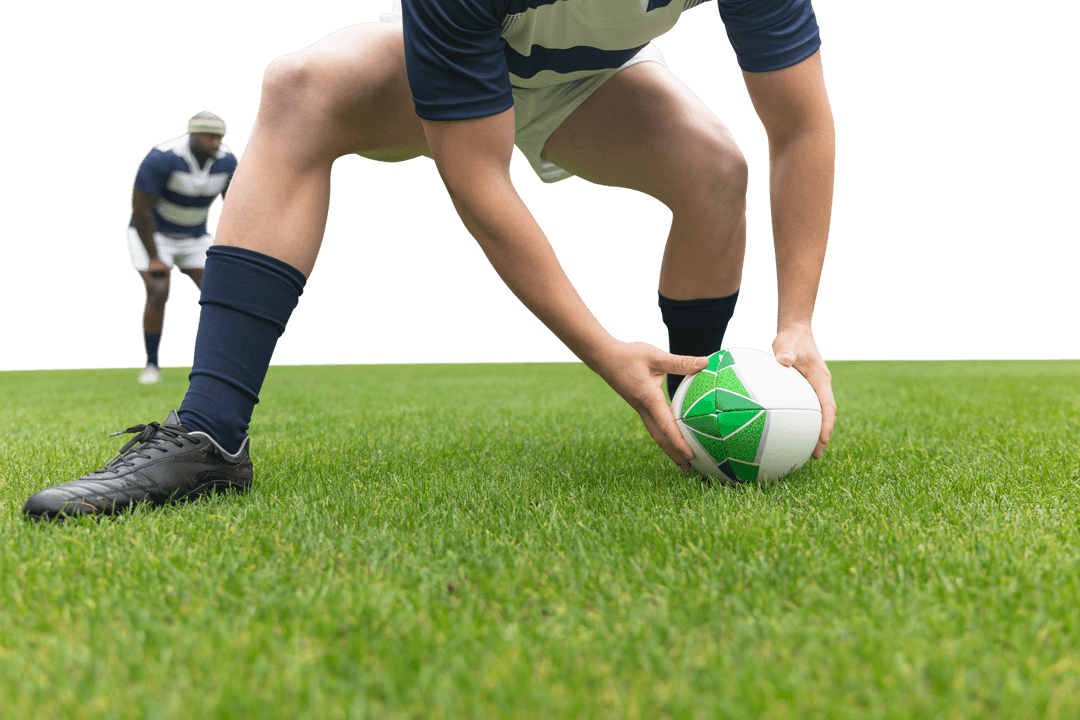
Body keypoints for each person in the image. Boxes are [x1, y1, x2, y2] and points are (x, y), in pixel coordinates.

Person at [23, 0, 837, 520]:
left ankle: (692, 407)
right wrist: (600, 348)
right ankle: (209, 438)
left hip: (592, 79)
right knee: (302, 89)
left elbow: (798, 127)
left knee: (713, 170)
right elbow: (479, 179)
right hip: (454, 58)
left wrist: (795, 321)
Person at [127, 111, 237, 384]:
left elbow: (235, 205)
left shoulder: (226, 160)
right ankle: (152, 365)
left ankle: (214, 364)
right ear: (193, 134)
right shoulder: (162, 157)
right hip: (153, 234)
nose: (215, 143)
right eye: (209, 136)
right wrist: (154, 258)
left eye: (220, 137)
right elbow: (140, 211)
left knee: (218, 291)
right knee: (159, 290)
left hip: (194, 236)